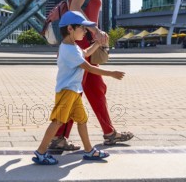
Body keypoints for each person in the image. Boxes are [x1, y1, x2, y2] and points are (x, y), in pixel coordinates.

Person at [49, 0, 134, 151]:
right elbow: (75, 9)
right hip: (82, 43)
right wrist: (94, 28)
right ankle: (58, 137)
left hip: (84, 41)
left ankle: (109, 133)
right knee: (74, 90)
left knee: (96, 89)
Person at [32, 11, 125, 165]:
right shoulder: (68, 50)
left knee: (82, 120)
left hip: (74, 91)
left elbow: (86, 53)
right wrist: (111, 73)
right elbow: (88, 67)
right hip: (67, 92)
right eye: (82, 28)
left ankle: (89, 151)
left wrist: (97, 43)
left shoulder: (72, 46)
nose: (85, 31)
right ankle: (41, 152)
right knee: (57, 122)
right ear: (70, 29)